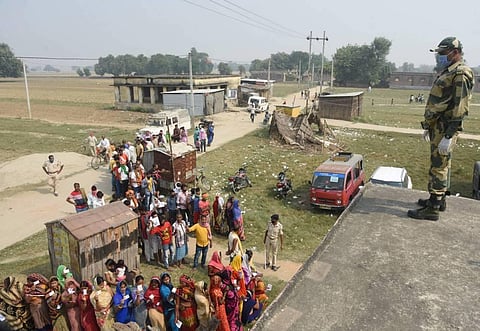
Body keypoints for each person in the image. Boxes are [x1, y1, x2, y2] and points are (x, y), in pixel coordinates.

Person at [408, 37, 474, 221]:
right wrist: (429, 126)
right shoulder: (449, 71)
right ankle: (438, 199)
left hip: (446, 127)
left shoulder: (461, 73)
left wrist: (449, 135)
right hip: (438, 125)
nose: (440, 57)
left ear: (455, 52)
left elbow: (460, 106)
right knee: (441, 164)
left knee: (439, 166)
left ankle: (433, 208)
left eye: (443, 54)